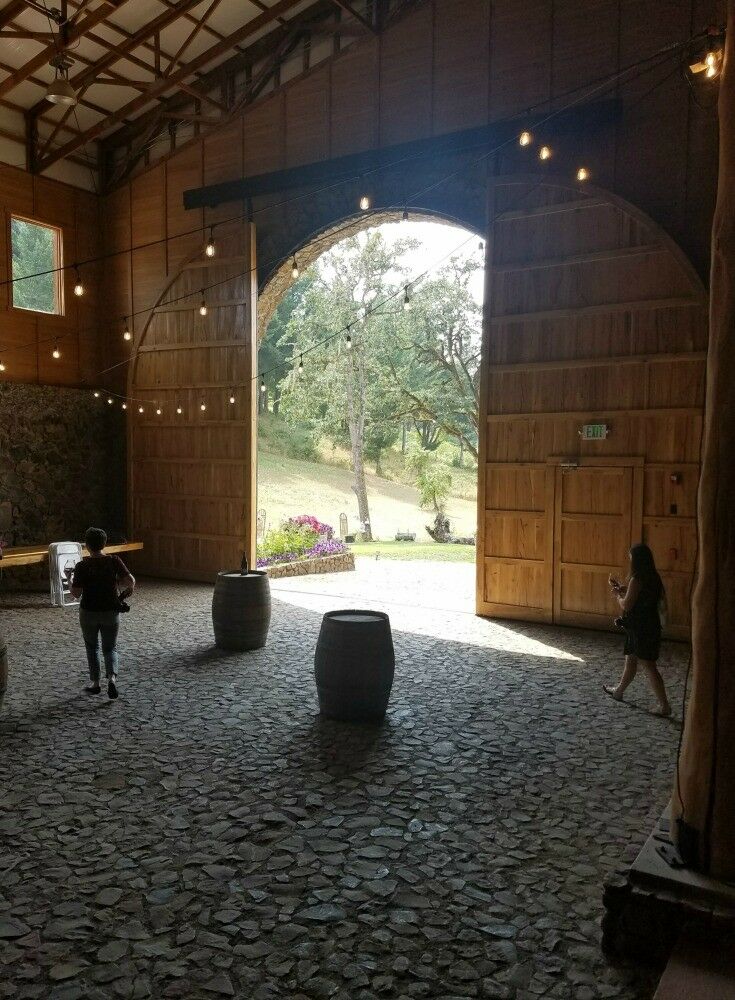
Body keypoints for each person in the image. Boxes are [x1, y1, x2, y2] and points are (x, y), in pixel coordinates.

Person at [604, 543, 671, 717]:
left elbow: (627, 604)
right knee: (631, 660)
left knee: (649, 666)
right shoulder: (653, 576)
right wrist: (625, 590)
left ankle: (664, 706)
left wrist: (618, 596)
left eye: (631, 558)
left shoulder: (637, 578)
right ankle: (619, 691)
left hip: (641, 627)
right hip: (647, 625)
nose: (630, 561)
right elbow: (642, 596)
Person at [70, 527, 135, 700]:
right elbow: (131, 581)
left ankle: (96, 683)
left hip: (89, 612)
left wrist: (69, 580)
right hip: (110, 611)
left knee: (92, 647)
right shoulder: (114, 561)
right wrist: (122, 596)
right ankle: (112, 679)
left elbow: (76, 593)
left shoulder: (82, 566)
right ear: (104, 543)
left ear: (87, 546)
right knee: (110, 647)